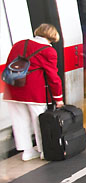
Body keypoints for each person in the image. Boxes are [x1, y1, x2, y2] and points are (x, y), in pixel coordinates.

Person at [3, 23, 63, 161]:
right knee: (39, 121)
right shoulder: (48, 51)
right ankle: (44, 151)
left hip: (12, 89)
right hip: (33, 93)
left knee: (19, 121)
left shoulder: (19, 44)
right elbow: (53, 77)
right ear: (53, 36)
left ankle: (27, 152)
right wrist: (58, 98)